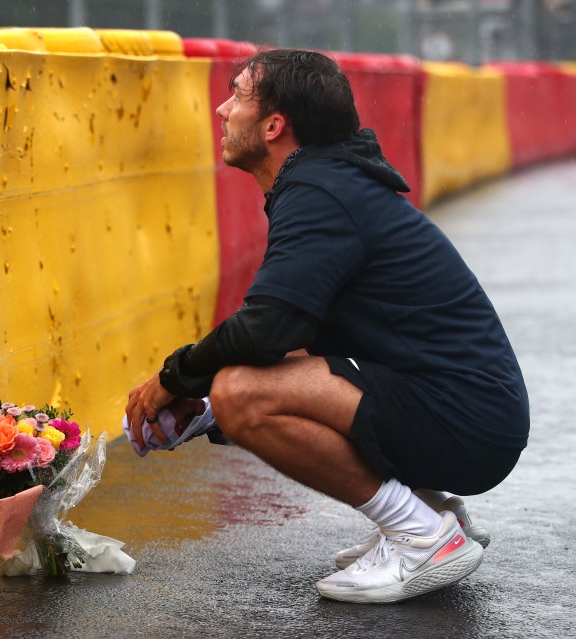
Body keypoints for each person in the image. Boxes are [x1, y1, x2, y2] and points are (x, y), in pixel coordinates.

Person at [125, 49, 529, 604]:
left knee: (240, 391)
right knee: (231, 391)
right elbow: (293, 336)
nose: (222, 109)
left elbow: (266, 329)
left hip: (468, 421)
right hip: (469, 412)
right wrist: (202, 412)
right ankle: (430, 509)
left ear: (274, 125)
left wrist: (176, 378)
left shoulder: (320, 193)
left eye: (238, 95)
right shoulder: (326, 183)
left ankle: (420, 536)